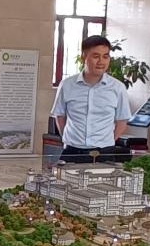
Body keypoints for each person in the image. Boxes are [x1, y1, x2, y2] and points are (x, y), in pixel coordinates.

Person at [51, 34, 131, 164]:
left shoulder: (118, 88)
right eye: (96, 56)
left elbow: (122, 120)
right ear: (84, 57)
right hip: (72, 151)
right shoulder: (67, 85)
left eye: (105, 56)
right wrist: (70, 138)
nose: (101, 62)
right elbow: (60, 116)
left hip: (104, 153)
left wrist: (108, 141)